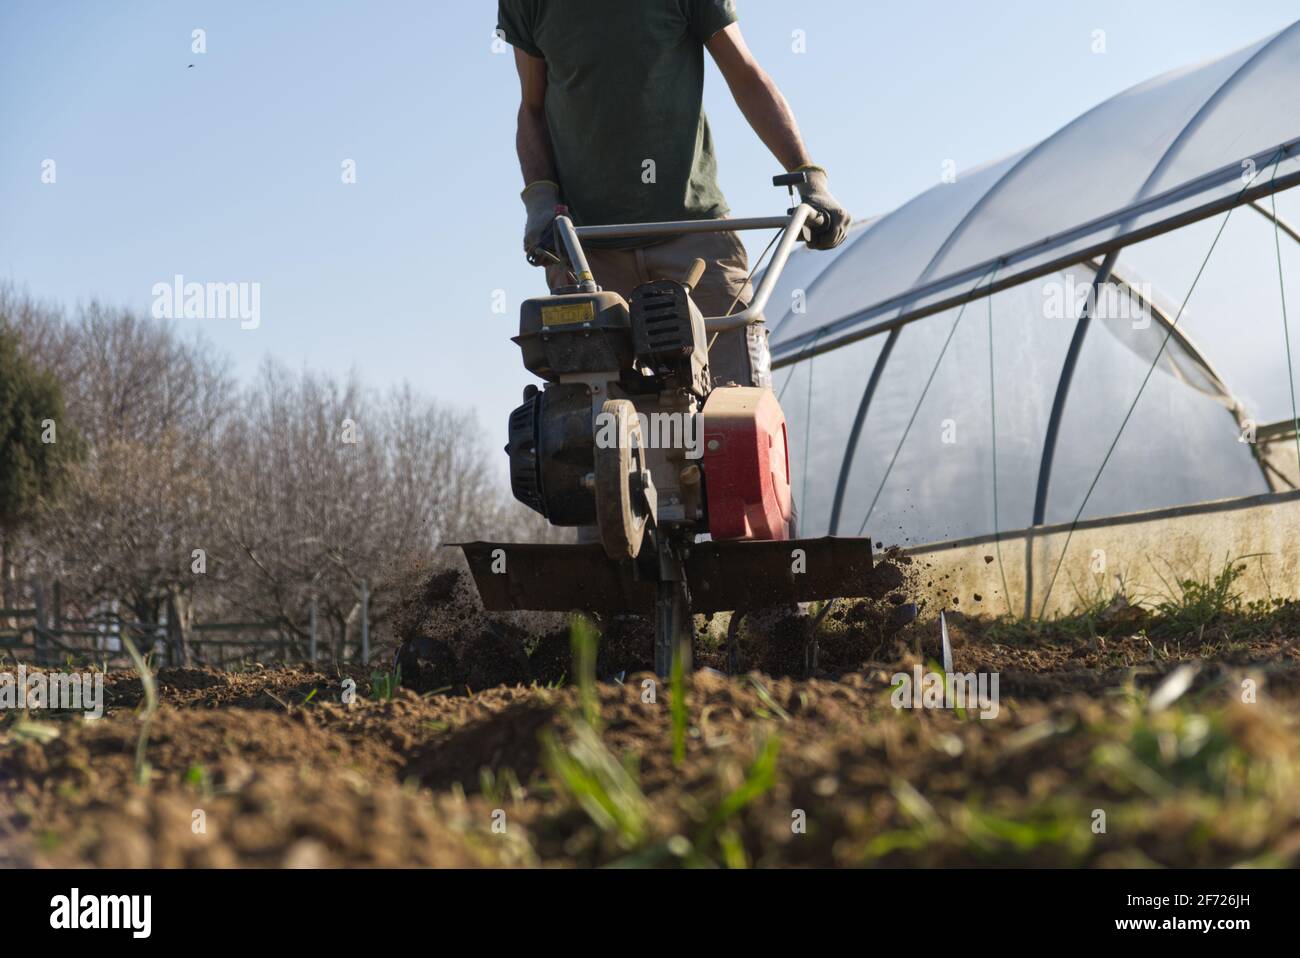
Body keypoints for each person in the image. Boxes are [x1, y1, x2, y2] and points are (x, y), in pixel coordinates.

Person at [497, 0, 850, 388]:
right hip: (587, 254)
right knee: (589, 418)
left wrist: (807, 176)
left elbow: (745, 76)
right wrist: (540, 201)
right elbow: (531, 108)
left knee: (737, 403)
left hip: (695, 238)